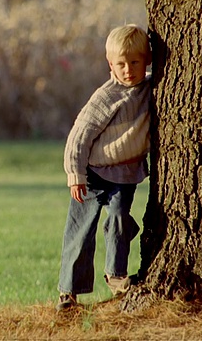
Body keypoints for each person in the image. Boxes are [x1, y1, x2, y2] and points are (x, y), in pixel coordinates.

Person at [56, 24, 152, 311]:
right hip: (94, 173)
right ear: (110, 64)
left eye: (135, 62)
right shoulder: (106, 97)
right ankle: (68, 293)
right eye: (120, 64)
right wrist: (76, 175)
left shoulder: (151, 87)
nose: (128, 70)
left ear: (146, 60)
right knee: (81, 231)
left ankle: (116, 274)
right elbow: (78, 137)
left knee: (120, 218)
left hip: (126, 174)